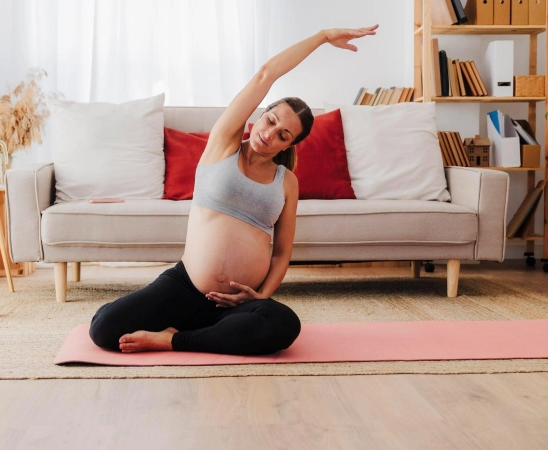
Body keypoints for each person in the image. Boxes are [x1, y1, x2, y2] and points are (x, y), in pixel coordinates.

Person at [89, 25, 379, 355]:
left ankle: (173, 338)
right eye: (271, 121)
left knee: (283, 324)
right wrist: (323, 37)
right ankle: (205, 334)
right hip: (185, 286)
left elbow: (282, 251)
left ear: (292, 144)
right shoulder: (224, 145)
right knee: (103, 327)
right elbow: (266, 74)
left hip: (236, 302)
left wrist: (262, 295)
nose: (271, 134)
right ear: (263, 114)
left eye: (284, 135)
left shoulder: (286, 181)